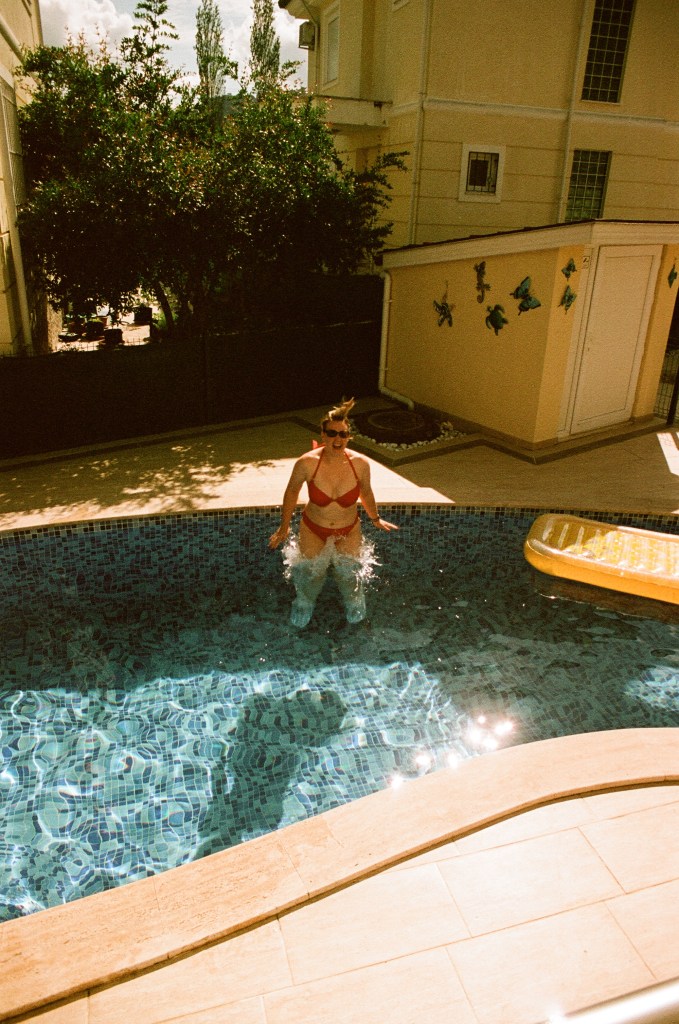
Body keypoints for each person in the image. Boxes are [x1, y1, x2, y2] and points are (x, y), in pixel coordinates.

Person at [268, 398, 398, 626]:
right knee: (312, 575)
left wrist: (375, 518)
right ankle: (304, 602)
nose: (337, 439)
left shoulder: (360, 464)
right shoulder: (307, 463)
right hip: (313, 527)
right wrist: (284, 527)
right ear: (323, 434)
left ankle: (355, 600)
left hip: (348, 528)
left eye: (343, 434)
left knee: (349, 574)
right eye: (332, 433)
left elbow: (366, 493)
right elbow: (291, 493)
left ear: (348, 436)